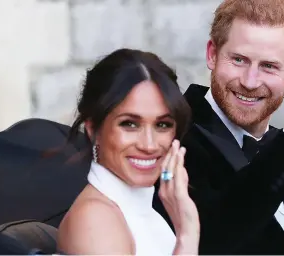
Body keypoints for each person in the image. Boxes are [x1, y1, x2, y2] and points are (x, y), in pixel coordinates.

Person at [152, 0, 284, 254]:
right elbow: (212, 240)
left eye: (269, 66)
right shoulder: (172, 137)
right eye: (239, 60)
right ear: (212, 55)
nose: (250, 82)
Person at [55, 48, 200, 255]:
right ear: (93, 129)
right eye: (130, 124)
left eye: (163, 125)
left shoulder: (140, 210)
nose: (149, 145)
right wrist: (187, 236)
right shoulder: (96, 220)